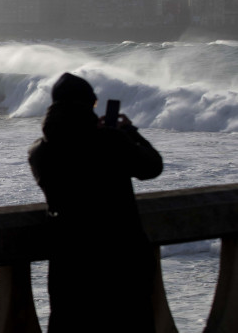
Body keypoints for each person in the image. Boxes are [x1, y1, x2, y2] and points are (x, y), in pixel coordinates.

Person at [28, 73, 163, 333]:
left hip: (70, 262)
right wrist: (129, 133)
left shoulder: (39, 152)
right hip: (121, 261)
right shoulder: (110, 141)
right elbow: (152, 167)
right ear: (88, 105)